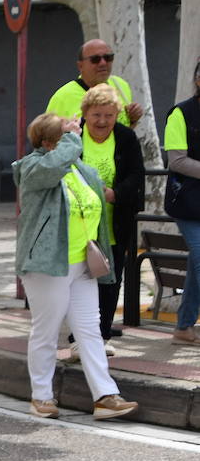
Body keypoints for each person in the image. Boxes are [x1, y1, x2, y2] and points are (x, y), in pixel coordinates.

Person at [12, 113, 138, 420]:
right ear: (48, 142)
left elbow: (95, 207)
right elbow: (54, 166)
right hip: (48, 265)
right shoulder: (32, 167)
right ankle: (41, 396)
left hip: (81, 263)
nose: (76, 137)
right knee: (47, 330)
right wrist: (71, 137)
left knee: (89, 331)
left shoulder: (80, 170)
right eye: (66, 134)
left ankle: (105, 396)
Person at [77, 83, 144, 351]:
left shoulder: (126, 137)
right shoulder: (73, 136)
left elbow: (136, 175)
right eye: (96, 115)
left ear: (117, 115)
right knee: (81, 281)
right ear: (85, 114)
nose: (102, 121)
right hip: (79, 225)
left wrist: (115, 194)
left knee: (110, 279)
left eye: (109, 115)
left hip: (114, 221)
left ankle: (102, 335)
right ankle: (78, 337)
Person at [164, 59, 200, 347]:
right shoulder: (180, 113)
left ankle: (184, 327)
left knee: (196, 264)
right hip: (188, 203)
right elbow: (176, 160)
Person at [46, 39, 143, 127]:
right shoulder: (63, 97)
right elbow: (48, 138)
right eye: (95, 59)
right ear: (80, 66)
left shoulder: (121, 85)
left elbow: (123, 135)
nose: (103, 63)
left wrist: (133, 120)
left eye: (108, 57)